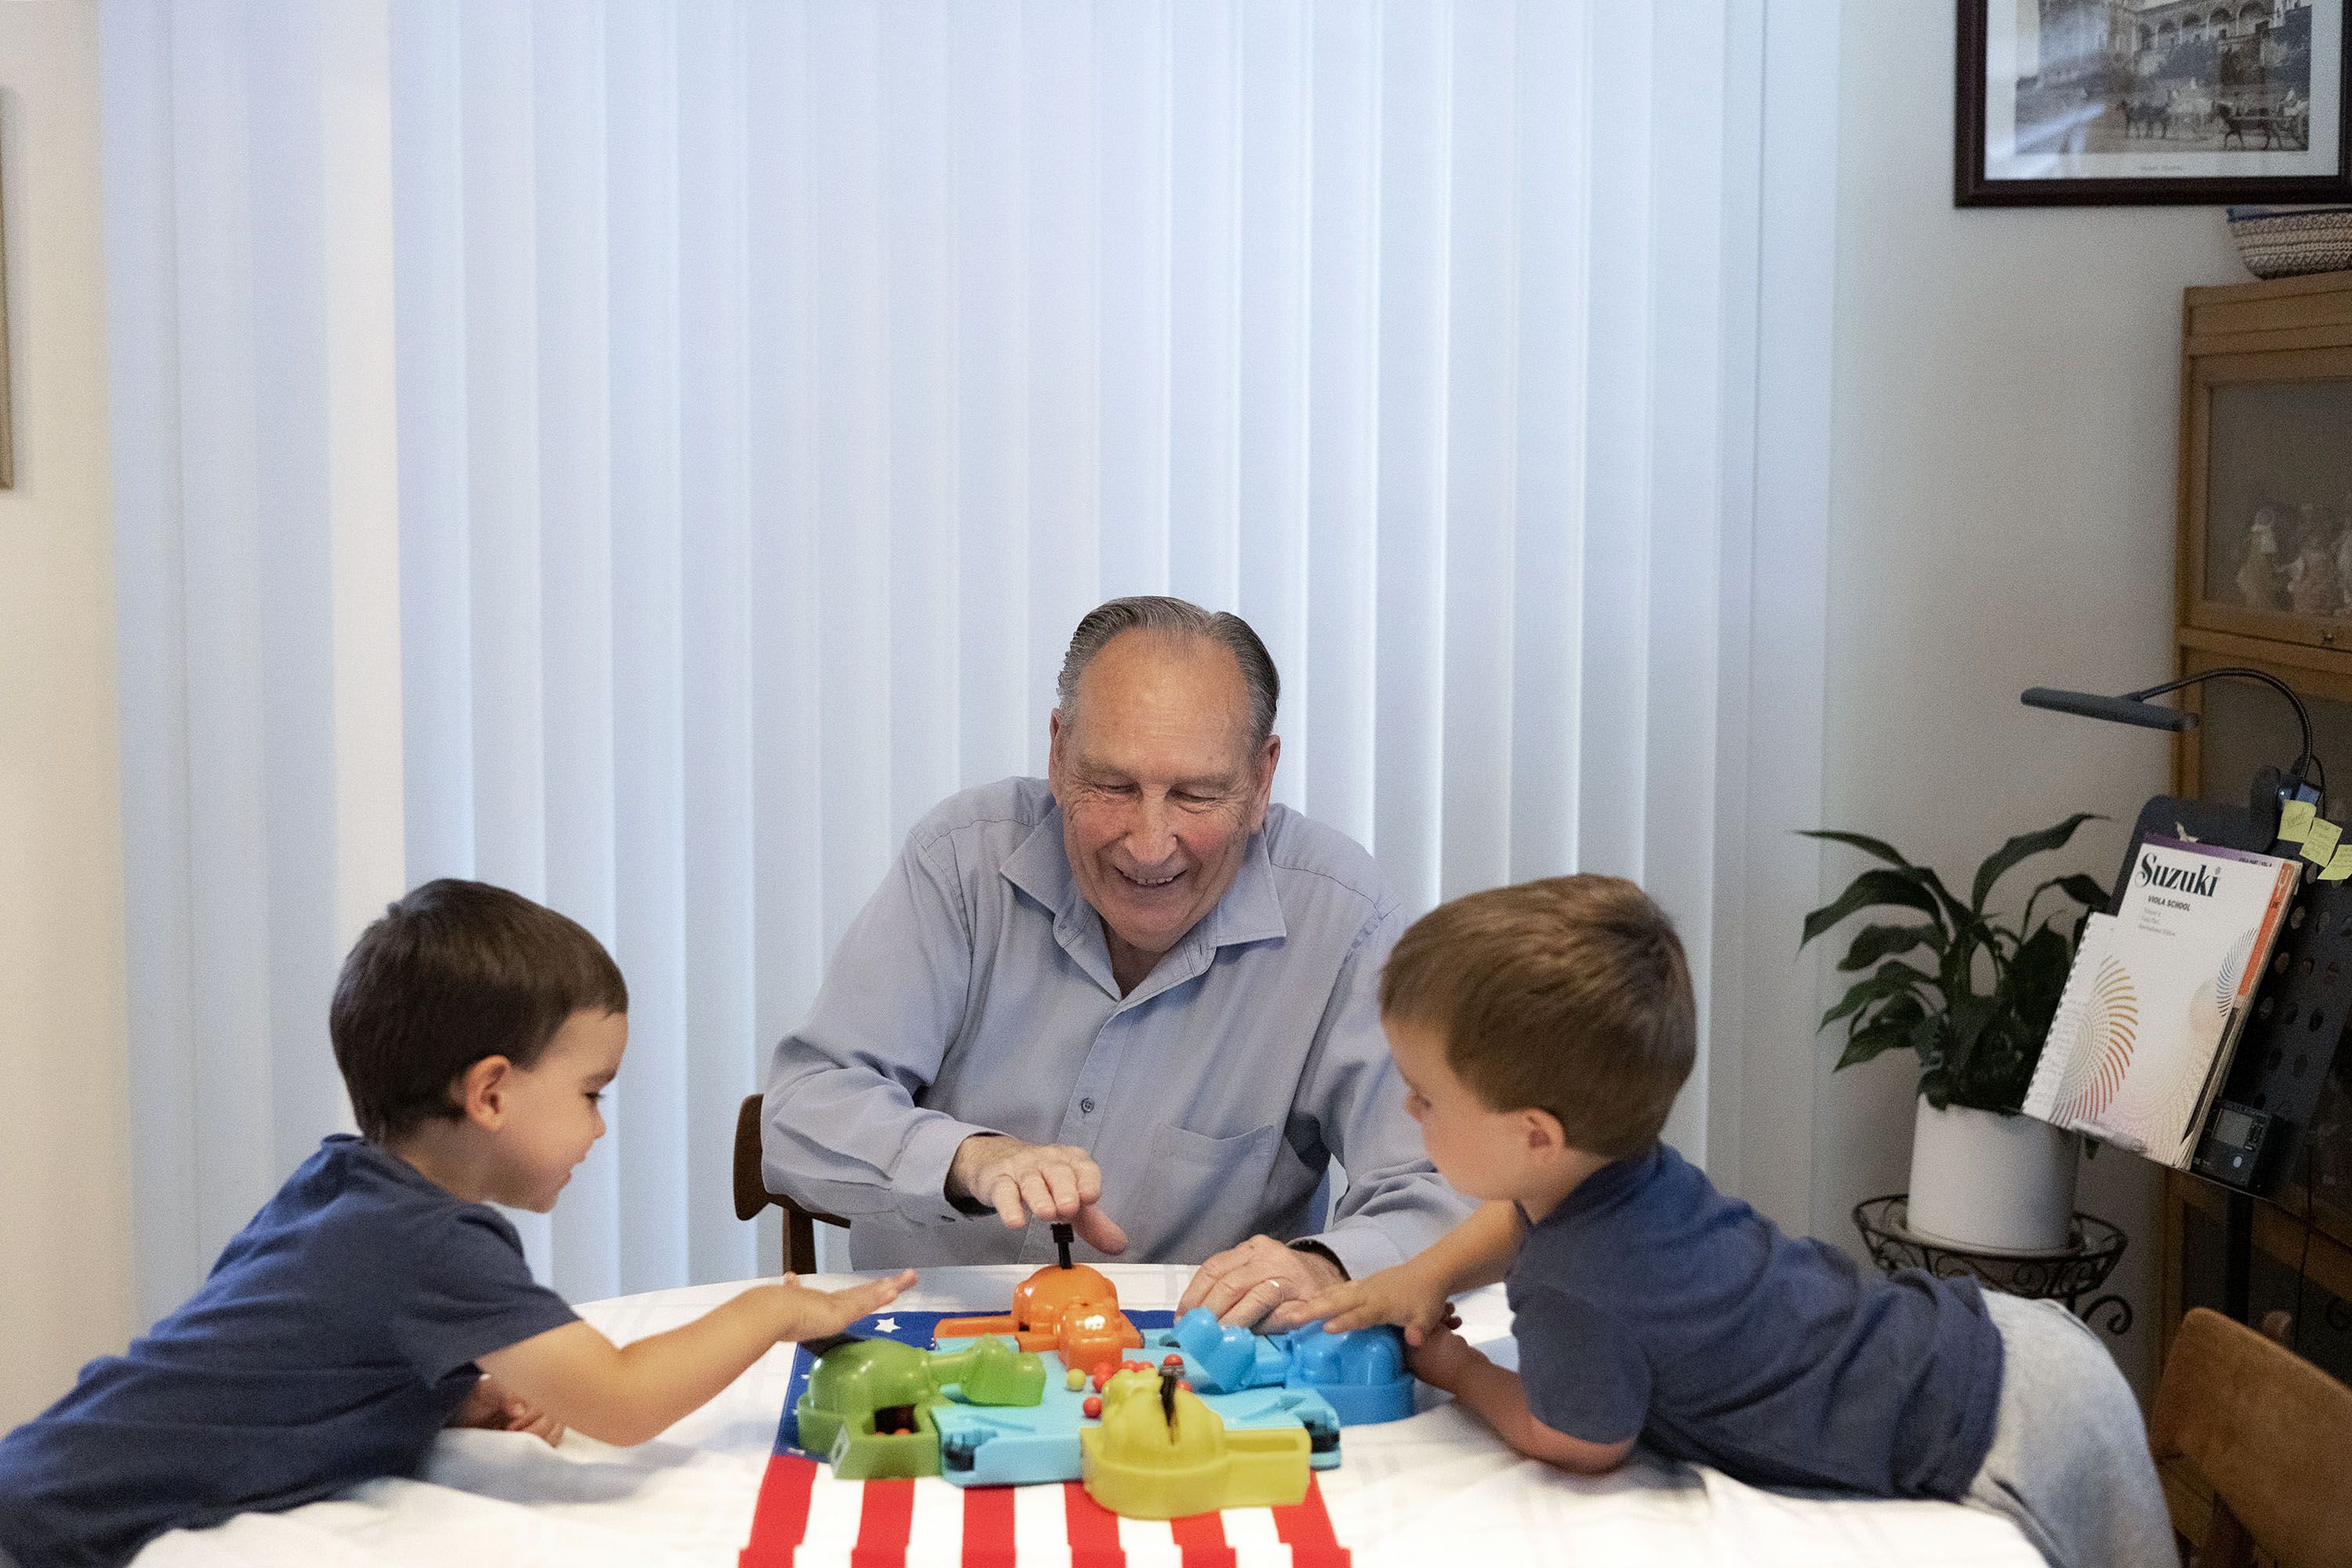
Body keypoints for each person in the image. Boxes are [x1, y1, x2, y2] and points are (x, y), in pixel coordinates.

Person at [0, 880, 911, 1568]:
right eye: (591, 1093)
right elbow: (623, 1401)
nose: (599, 1126)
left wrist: (441, 1390)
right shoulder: (429, 1241)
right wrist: (775, 1310)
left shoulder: (340, 1183)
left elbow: (289, 1360)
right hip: (67, 1535)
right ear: (489, 1091)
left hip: (38, 1480)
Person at [1301, 875, 2175, 1568]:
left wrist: (1454, 1366)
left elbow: (1576, 1438)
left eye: (1425, 1093)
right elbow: (1519, 1218)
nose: (1407, 1107)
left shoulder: (1583, 1288)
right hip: (2003, 1344)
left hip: (2010, 1420)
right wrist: (1425, 1274)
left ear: (1536, 1135)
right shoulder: (1609, 1168)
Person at [762, 596, 1467, 1327]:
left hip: (1200, 1368)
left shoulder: (1344, 915)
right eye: (1114, 787)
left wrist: (1322, 1267)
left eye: (1195, 794)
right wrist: (973, 1157)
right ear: (1059, 754)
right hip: (934, 1341)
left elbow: (1442, 1180)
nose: (1150, 844)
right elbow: (802, 1111)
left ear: (1262, 781)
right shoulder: (962, 862)